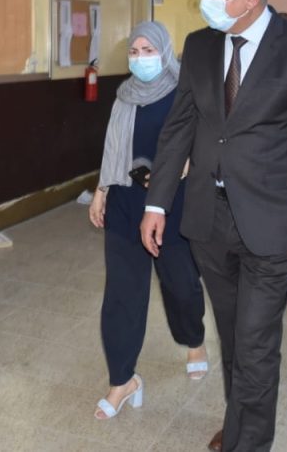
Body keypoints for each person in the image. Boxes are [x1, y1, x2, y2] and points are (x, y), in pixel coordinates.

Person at [140, 0, 287, 452]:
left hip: (272, 222)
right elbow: (179, 128)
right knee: (233, 336)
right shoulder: (200, 46)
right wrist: (157, 204)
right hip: (208, 220)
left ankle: (248, 442)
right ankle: (240, 421)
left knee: (255, 342)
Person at [88, 21, 207, 420]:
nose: (141, 59)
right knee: (121, 294)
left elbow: (200, 146)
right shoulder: (124, 96)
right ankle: (123, 380)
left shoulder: (184, 93)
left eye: (149, 50)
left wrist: (176, 173)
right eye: (134, 52)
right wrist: (102, 190)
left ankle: (194, 339)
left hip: (172, 203)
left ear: (165, 51)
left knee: (181, 286)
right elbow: (113, 147)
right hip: (125, 200)